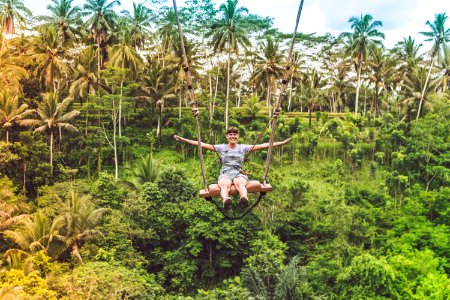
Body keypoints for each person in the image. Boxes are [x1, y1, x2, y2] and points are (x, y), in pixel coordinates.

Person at [174, 126, 291, 209]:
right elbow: (201, 144)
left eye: (235, 134)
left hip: (238, 172)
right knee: (225, 185)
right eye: (230, 134)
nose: (233, 136)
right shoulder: (221, 147)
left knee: (240, 183)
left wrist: (281, 143)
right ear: (227, 136)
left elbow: (263, 145)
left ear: (238, 136)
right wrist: (183, 139)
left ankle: (244, 198)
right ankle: (226, 200)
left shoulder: (243, 148)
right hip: (225, 172)